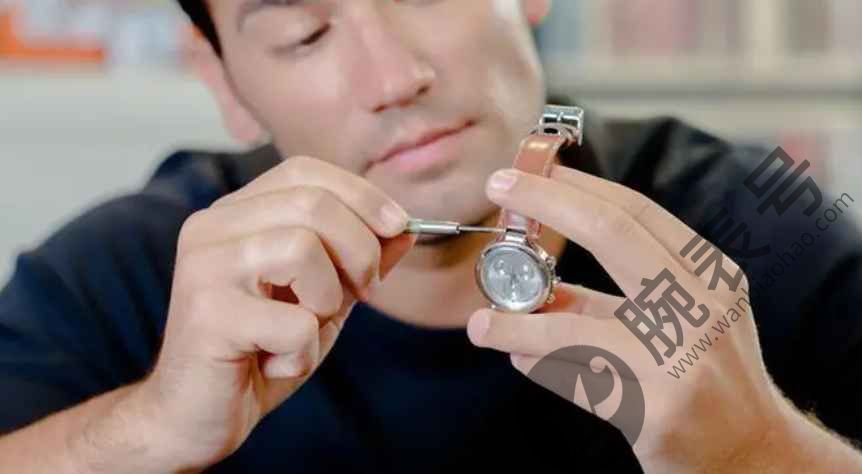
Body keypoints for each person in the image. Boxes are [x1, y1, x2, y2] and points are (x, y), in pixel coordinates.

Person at [1, 1, 861, 472]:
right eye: (305, 34)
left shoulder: (760, 228)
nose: (395, 78)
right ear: (223, 80)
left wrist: (756, 452)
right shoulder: (112, 278)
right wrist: (150, 430)